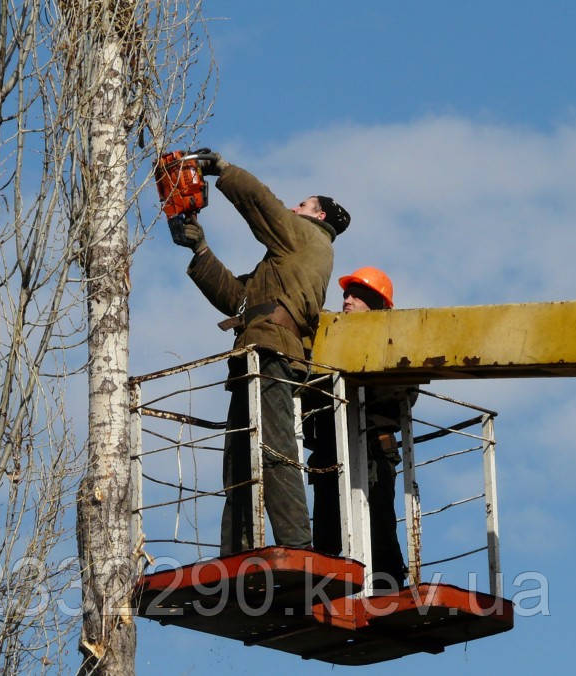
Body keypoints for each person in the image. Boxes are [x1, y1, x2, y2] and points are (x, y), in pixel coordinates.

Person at [168, 149, 350, 555]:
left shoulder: (309, 239)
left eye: (302, 205)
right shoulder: (282, 264)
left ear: (318, 217)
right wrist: (200, 252)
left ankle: (297, 546)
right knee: (239, 461)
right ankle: (237, 551)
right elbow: (238, 300)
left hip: (272, 354)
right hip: (254, 354)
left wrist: (224, 171)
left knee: (273, 449)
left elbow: (261, 206)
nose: (291, 207)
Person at [305, 266, 410, 589]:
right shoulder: (329, 340)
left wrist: (355, 385)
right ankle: (327, 585)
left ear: (376, 304)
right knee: (327, 525)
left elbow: (401, 395)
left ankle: (387, 585)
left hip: (373, 447)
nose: (347, 301)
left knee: (377, 520)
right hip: (330, 447)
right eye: (346, 295)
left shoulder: (394, 344)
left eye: (356, 296)